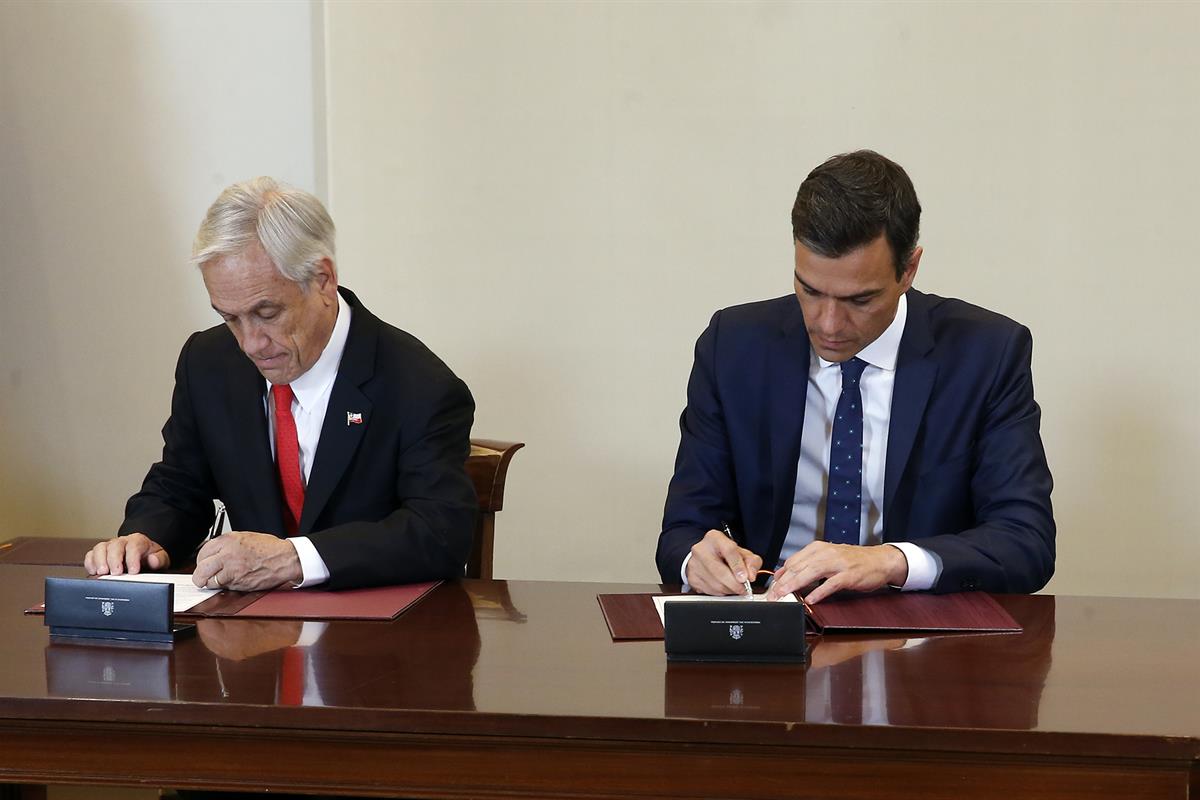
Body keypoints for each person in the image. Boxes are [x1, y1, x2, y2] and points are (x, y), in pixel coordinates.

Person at [656, 150, 1054, 604]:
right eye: (809, 290)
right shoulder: (734, 346)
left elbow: (1027, 542)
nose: (827, 324)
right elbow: (684, 527)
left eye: (859, 301)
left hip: (917, 637)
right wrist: (698, 559)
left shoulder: (986, 354)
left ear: (909, 270)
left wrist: (891, 561)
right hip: (769, 617)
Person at [85, 177, 477, 591]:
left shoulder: (419, 386)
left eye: (267, 312)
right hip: (253, 637)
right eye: (230, 318)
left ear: (322, 280)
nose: (250, 344)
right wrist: (146, 537)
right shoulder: (209, 363)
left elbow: (440, 532)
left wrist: (296, 558)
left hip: (376, 638)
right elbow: (180, 485)